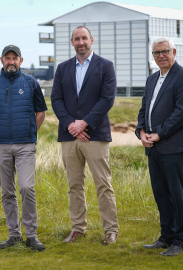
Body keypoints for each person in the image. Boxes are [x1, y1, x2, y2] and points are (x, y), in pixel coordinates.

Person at [51, 26, 118, 244]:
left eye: (84, 38)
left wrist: (85, 123)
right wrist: (72, 124)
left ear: (92, 40)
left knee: (103, 183)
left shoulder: (105, 66)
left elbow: (107, 99)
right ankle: (78, 228)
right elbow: (56, 100)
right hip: (69, 136)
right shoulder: (62, 68)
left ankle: (110, 230)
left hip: (95, 135)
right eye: (77, 39)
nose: (81, 42)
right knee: (74, 185)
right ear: (72, 42)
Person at [0, 45, 47, 251]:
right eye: (7, 58)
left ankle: (32, 235)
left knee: (27, 187)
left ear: (21, 60)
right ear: (2, 60)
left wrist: (29, 134)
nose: (11, 61)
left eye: (14, 58)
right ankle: (14, 234)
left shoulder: (31, 83)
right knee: (7, 191)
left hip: (25, 145)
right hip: (0, 146)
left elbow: (41, 113)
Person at [136, 37, 183, 256]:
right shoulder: (152, 79)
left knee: (177, 195)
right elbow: (144, 109)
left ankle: (180, 241)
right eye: (156, 53)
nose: (161, 56)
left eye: (165, 51)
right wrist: (142, 132)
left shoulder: (181, 76)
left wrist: (158, 134)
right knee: (161, 194)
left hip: (174, 147)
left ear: (174, 52)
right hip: (153, 148)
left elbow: (180, 113)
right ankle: (166, 237)